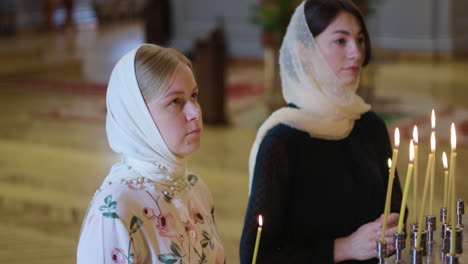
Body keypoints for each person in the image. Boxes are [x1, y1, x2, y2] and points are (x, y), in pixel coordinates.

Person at [240, 0, 405, 263]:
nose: (356, 53)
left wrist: (393, 226)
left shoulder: (370, 125)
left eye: (360, 40)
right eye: (341, 41)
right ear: (304, 50)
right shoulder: (281, 141)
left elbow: (396, 205)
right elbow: (256, 256)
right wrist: (344, 248)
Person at [77, 44, 225, 264]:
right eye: (176, 101)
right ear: (137, 117)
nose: (195, 112)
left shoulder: (196, 188)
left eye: (194, 95)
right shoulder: (115, 211)